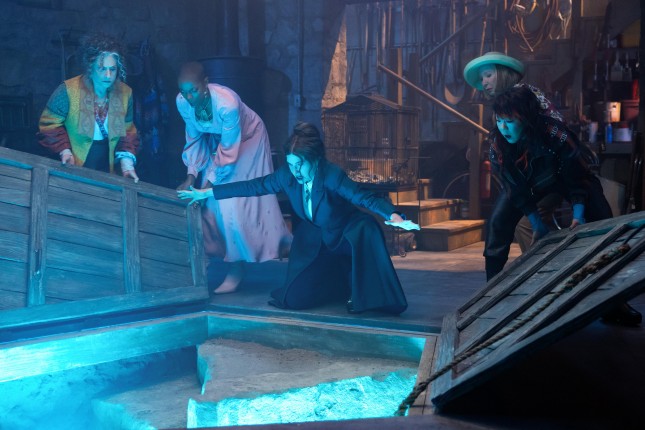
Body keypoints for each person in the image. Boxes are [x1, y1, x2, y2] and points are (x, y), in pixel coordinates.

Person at [178, 122, 415, 314]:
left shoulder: (331, 175)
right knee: (295, 299)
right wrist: (209, 192)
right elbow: (255, 186)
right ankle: (337, 284)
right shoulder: (287, 176)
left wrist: (392, 214)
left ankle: (357, 287)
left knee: (365, 231)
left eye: (301, 165)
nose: (296, 172)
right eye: (292, 165)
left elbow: (363, 197)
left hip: (345, 234)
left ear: (316, 160)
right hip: (316, 239)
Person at [485, 86, 641, 325]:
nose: (503, 128)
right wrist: (537, 223)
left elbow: (577, 175)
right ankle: (490, 297)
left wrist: (578, 215)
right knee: (498, 223)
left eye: (510, 121)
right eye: (499, 121)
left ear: (526, 119)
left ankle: (613, 302)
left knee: (602, 218)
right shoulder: (497, 143)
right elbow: (515, 189)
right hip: (532, 184)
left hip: (565, 176)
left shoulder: (554, 132)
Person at [175, 61, 291, 294]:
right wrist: (191, 175)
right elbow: (194, 138)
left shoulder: (227, 104)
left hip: (248, 141)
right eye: (184, 91)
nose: (189, 97)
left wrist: (207, 187)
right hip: (219, 143)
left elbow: (228, 153)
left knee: (233, 204)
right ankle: (206, 259)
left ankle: (238, 267)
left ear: (206, 83)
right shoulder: (182, 102)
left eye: (194, 90)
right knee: (207, 205)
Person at [463, 51, 564, 252]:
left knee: (523, 224)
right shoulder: (504, 101)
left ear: (503, 74)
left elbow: (554, 130)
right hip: (526, 176)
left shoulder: (524, 95)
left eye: (489, 75)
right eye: (482, 78)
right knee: (502, 223)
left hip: (548, 172)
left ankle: (542, 264)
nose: (484, 82)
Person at [38, 33, 140, 181]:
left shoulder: (125, 93)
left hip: (108, 169)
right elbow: (49, 124)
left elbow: (128, 131)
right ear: (90, 67)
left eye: (112, 69)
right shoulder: (68, 90)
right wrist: (64, 151)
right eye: (101, 68)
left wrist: (127, 165)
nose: (108, 75)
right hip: (75, 166)